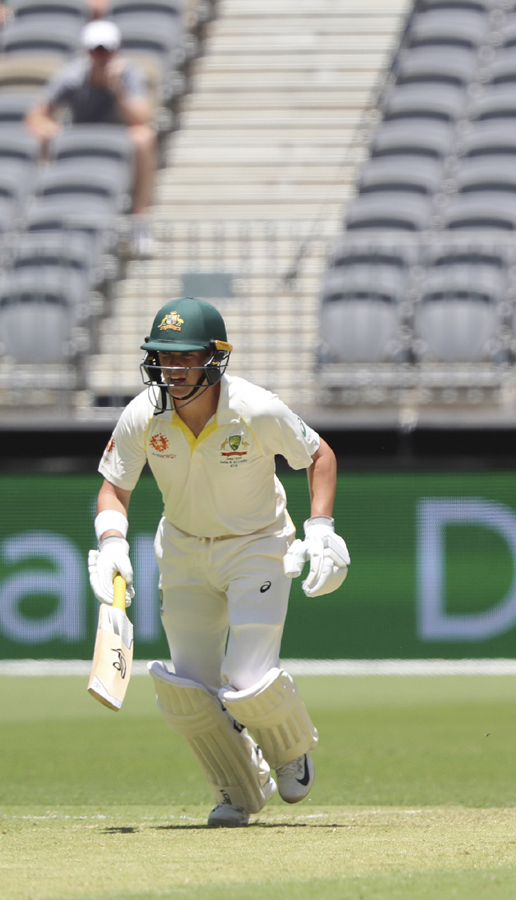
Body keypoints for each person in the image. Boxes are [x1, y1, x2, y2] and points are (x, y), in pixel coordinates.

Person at [89, 297, 351, 826]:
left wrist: (321, 529)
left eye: (186, 357)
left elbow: (319, 454)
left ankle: (289, 749)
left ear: (214, 358)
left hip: (257, 545)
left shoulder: (254, 407)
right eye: (164, 357)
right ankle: (238, 787)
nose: (173, 368)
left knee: (248, 678)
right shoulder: (144, 412)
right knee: (190, 691)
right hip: (183, 550)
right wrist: (113, 544)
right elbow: (113, 490)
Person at [24, 19, 157, 256]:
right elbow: (35, 117)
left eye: (107, 50)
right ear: (87, 52)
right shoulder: (72, 75)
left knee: (143, 138)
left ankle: (139, 220)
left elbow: (141, 118)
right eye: (97, 51)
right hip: (81, 138)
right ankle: (43, 211)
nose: (103, 57)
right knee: (43, 140)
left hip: (120, 137)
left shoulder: (129, 75)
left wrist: (118, 89)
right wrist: (52, 131)